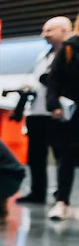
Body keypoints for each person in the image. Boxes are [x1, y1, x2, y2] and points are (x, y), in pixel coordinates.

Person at [17, 17, 73, 204]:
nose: (44, 35)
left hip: (60, 113)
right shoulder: (42, 56)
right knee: (36, 155)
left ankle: (61, 193)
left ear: (64, 30)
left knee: (62, 155)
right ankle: (37, 192)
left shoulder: (71, 54)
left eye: (49, 31)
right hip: (37, 111)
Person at [44, 15, 79, 221]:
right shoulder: (69, 48)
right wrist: (54, 104)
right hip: (71, 114)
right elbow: (53, 80)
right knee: (67, 158)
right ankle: (62, 202)